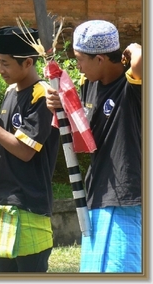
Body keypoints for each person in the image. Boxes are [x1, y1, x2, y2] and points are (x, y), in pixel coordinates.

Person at [46, 20, 141, 273]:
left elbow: (143, 62)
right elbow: (86, 132)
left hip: (126, 197)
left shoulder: (133, 86)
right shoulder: (90, 84)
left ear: (100, 59)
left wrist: (133, 47)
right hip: (97, 192)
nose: (77, 65)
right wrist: (60, 106)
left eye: (79, 58)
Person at [0, 26, 60, 272]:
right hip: (4, 201)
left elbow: (25, 151)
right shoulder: (11, 91)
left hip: (29, 204)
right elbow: (9, 134)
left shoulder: (43, 96)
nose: (0, 70)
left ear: (28, 62)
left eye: (5, 64)